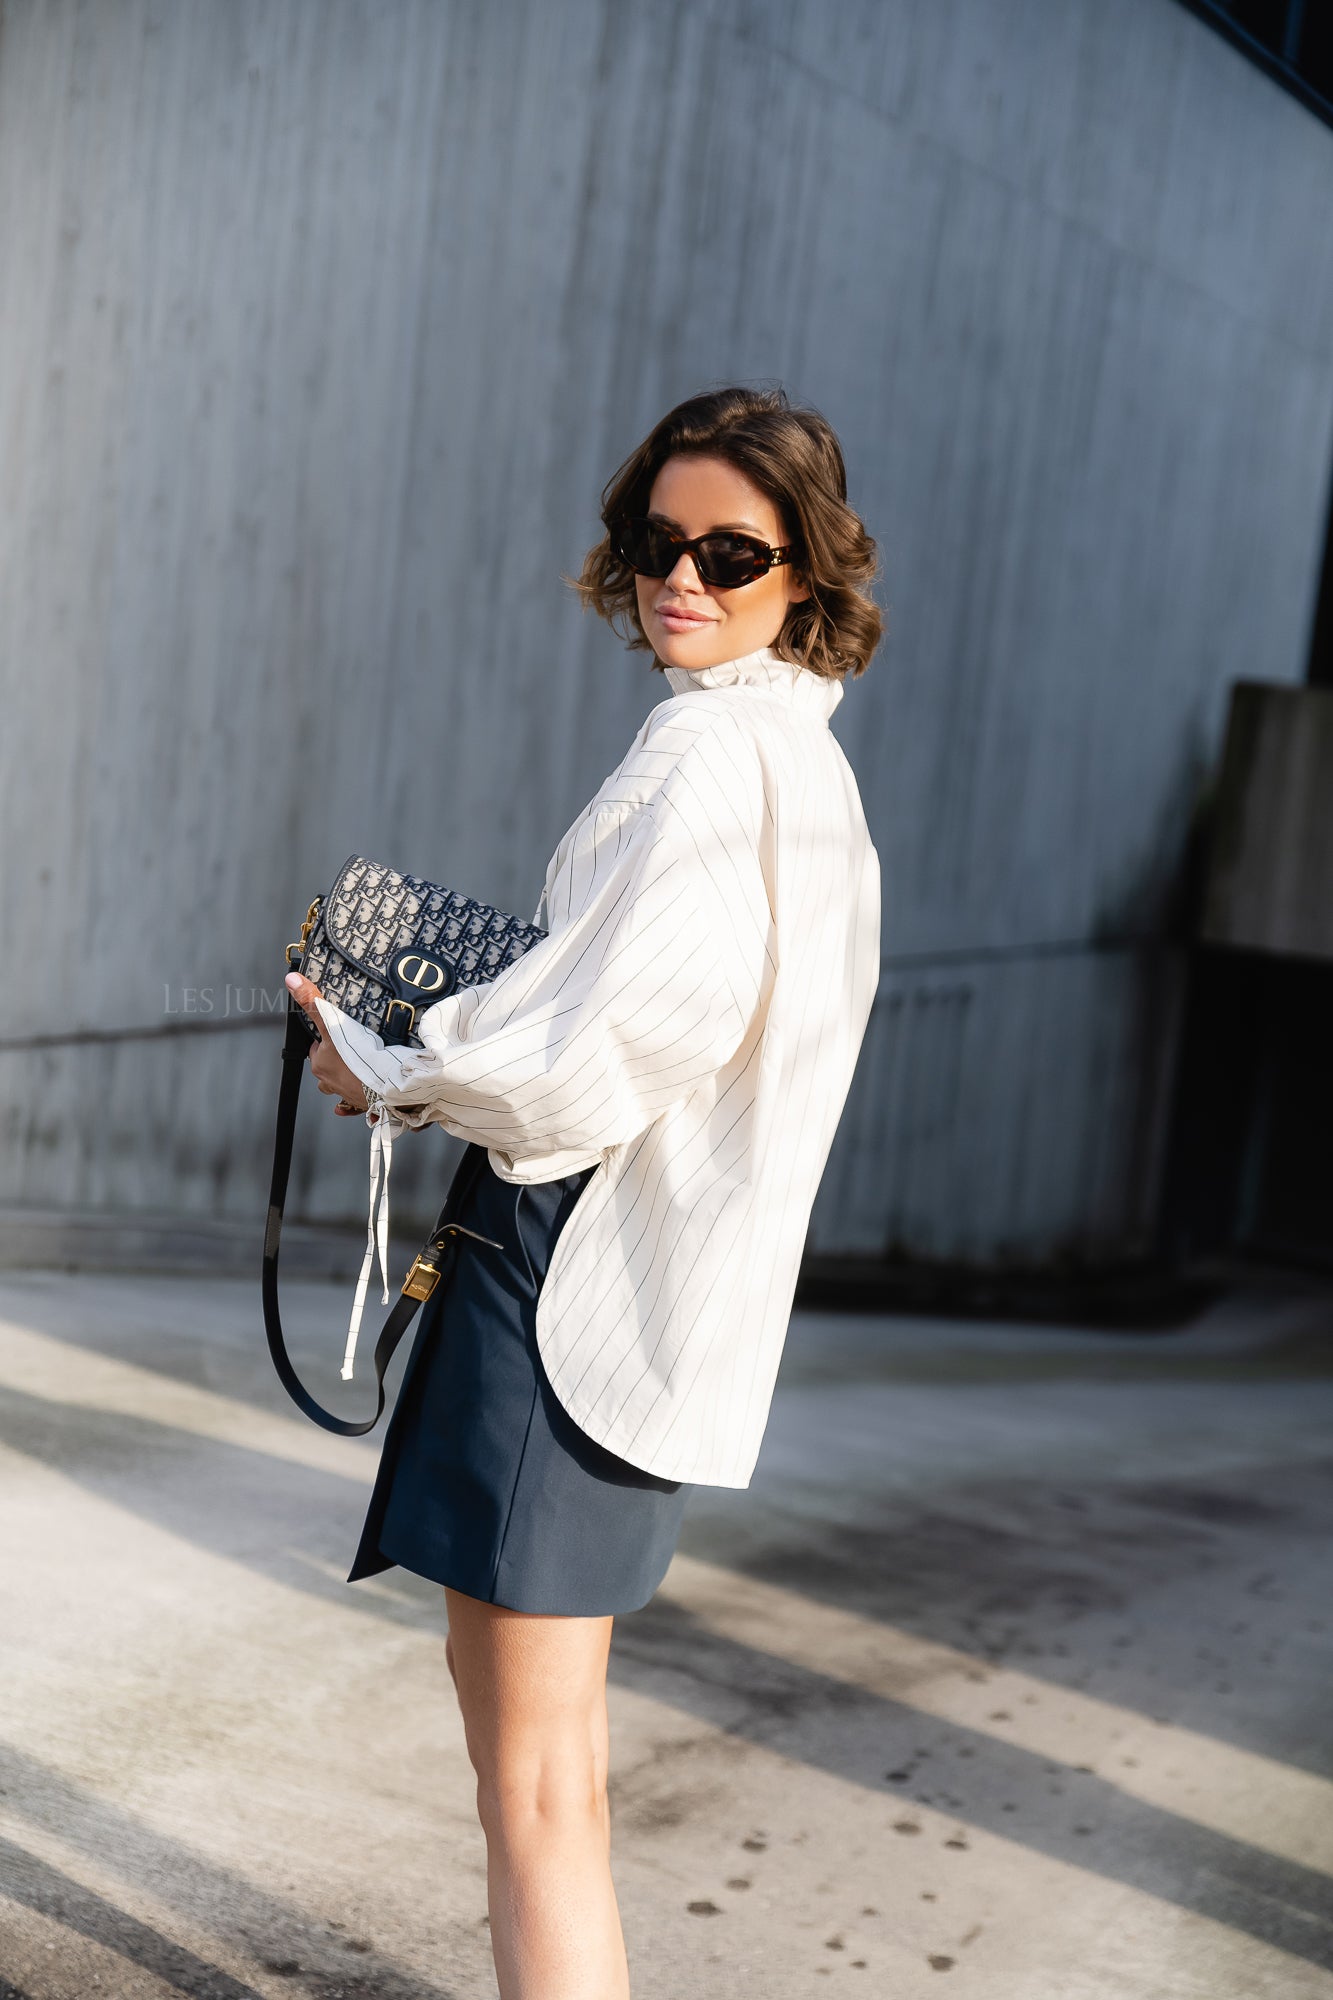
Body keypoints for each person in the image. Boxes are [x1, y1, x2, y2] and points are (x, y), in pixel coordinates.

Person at [282, 382, 882, 2000]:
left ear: (807, 574)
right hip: (616, 1278)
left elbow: (619, 1044)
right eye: (652, 540)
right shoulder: (793, 762)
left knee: (539, 1787)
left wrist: (391, 1065)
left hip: (571, 1274)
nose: (679, 576)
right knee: (534, 1770)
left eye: (729, 551)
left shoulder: (713, 757)